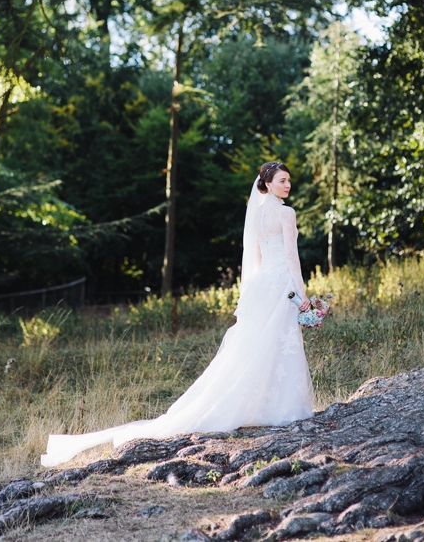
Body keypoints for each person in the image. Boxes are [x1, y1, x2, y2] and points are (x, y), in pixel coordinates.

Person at [41, 161, 315, 467]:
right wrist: (301, 294)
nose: (287, 185)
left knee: (255, 346)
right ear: (267, 184)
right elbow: (291, 254)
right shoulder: (285, 213)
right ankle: (281, 408)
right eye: (282, 181)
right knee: (278, 342)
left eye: (289, 181)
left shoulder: (258, 214)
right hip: (280, 284)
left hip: (265, 284)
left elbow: (261, 256)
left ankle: (261, 405)